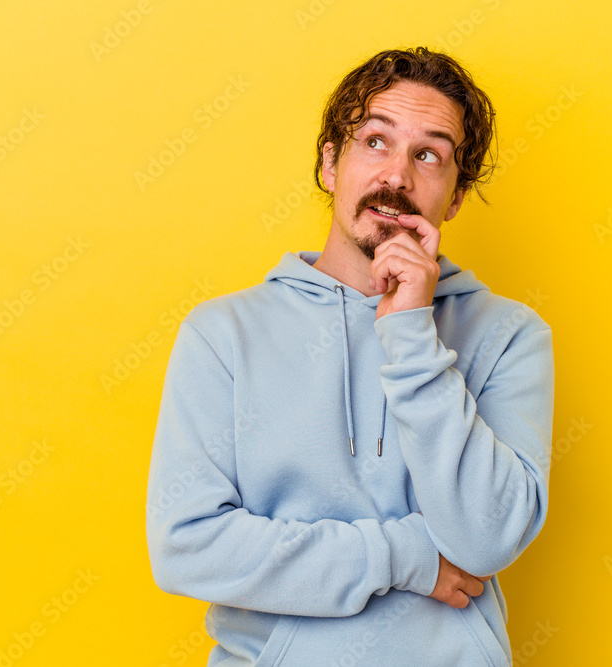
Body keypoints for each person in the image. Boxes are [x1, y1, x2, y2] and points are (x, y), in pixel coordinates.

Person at [146, 46, 555, 666]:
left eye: (429, 155)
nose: (397, 176)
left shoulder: (510, 336)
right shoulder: (222, 334)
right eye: (375, 142)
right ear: (330, 163)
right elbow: (187, 546)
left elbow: (488, 536)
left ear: (457, 193)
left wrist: (413, 335)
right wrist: (408, 557)